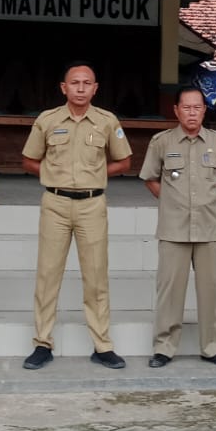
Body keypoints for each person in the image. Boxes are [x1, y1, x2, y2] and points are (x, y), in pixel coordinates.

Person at [21, 62, 132, 369]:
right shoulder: (47, 120)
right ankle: (42, 343)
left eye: (87, 83)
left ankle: (102, 345)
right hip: (55, 203)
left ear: (95, 89)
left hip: (92, 205)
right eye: (75, 83)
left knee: (96, 277)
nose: (81, 88)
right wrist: (52, 173)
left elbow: (124, 162)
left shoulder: (107, 121)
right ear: (64, 88)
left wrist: (95, 175)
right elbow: (29, 160)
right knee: (48, 276)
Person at [140, 85, 216, 368]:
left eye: (197, 107)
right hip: (173, 228)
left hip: (208, 228)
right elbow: (150, 178)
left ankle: (213, 348)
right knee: (170, 291)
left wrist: (205, 201)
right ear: (176, 110)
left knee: (211, 290)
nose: (192, 112)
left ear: (204, 110)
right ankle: (164, 348)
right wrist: (171, 201)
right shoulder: (162, 142)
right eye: (186, 107)